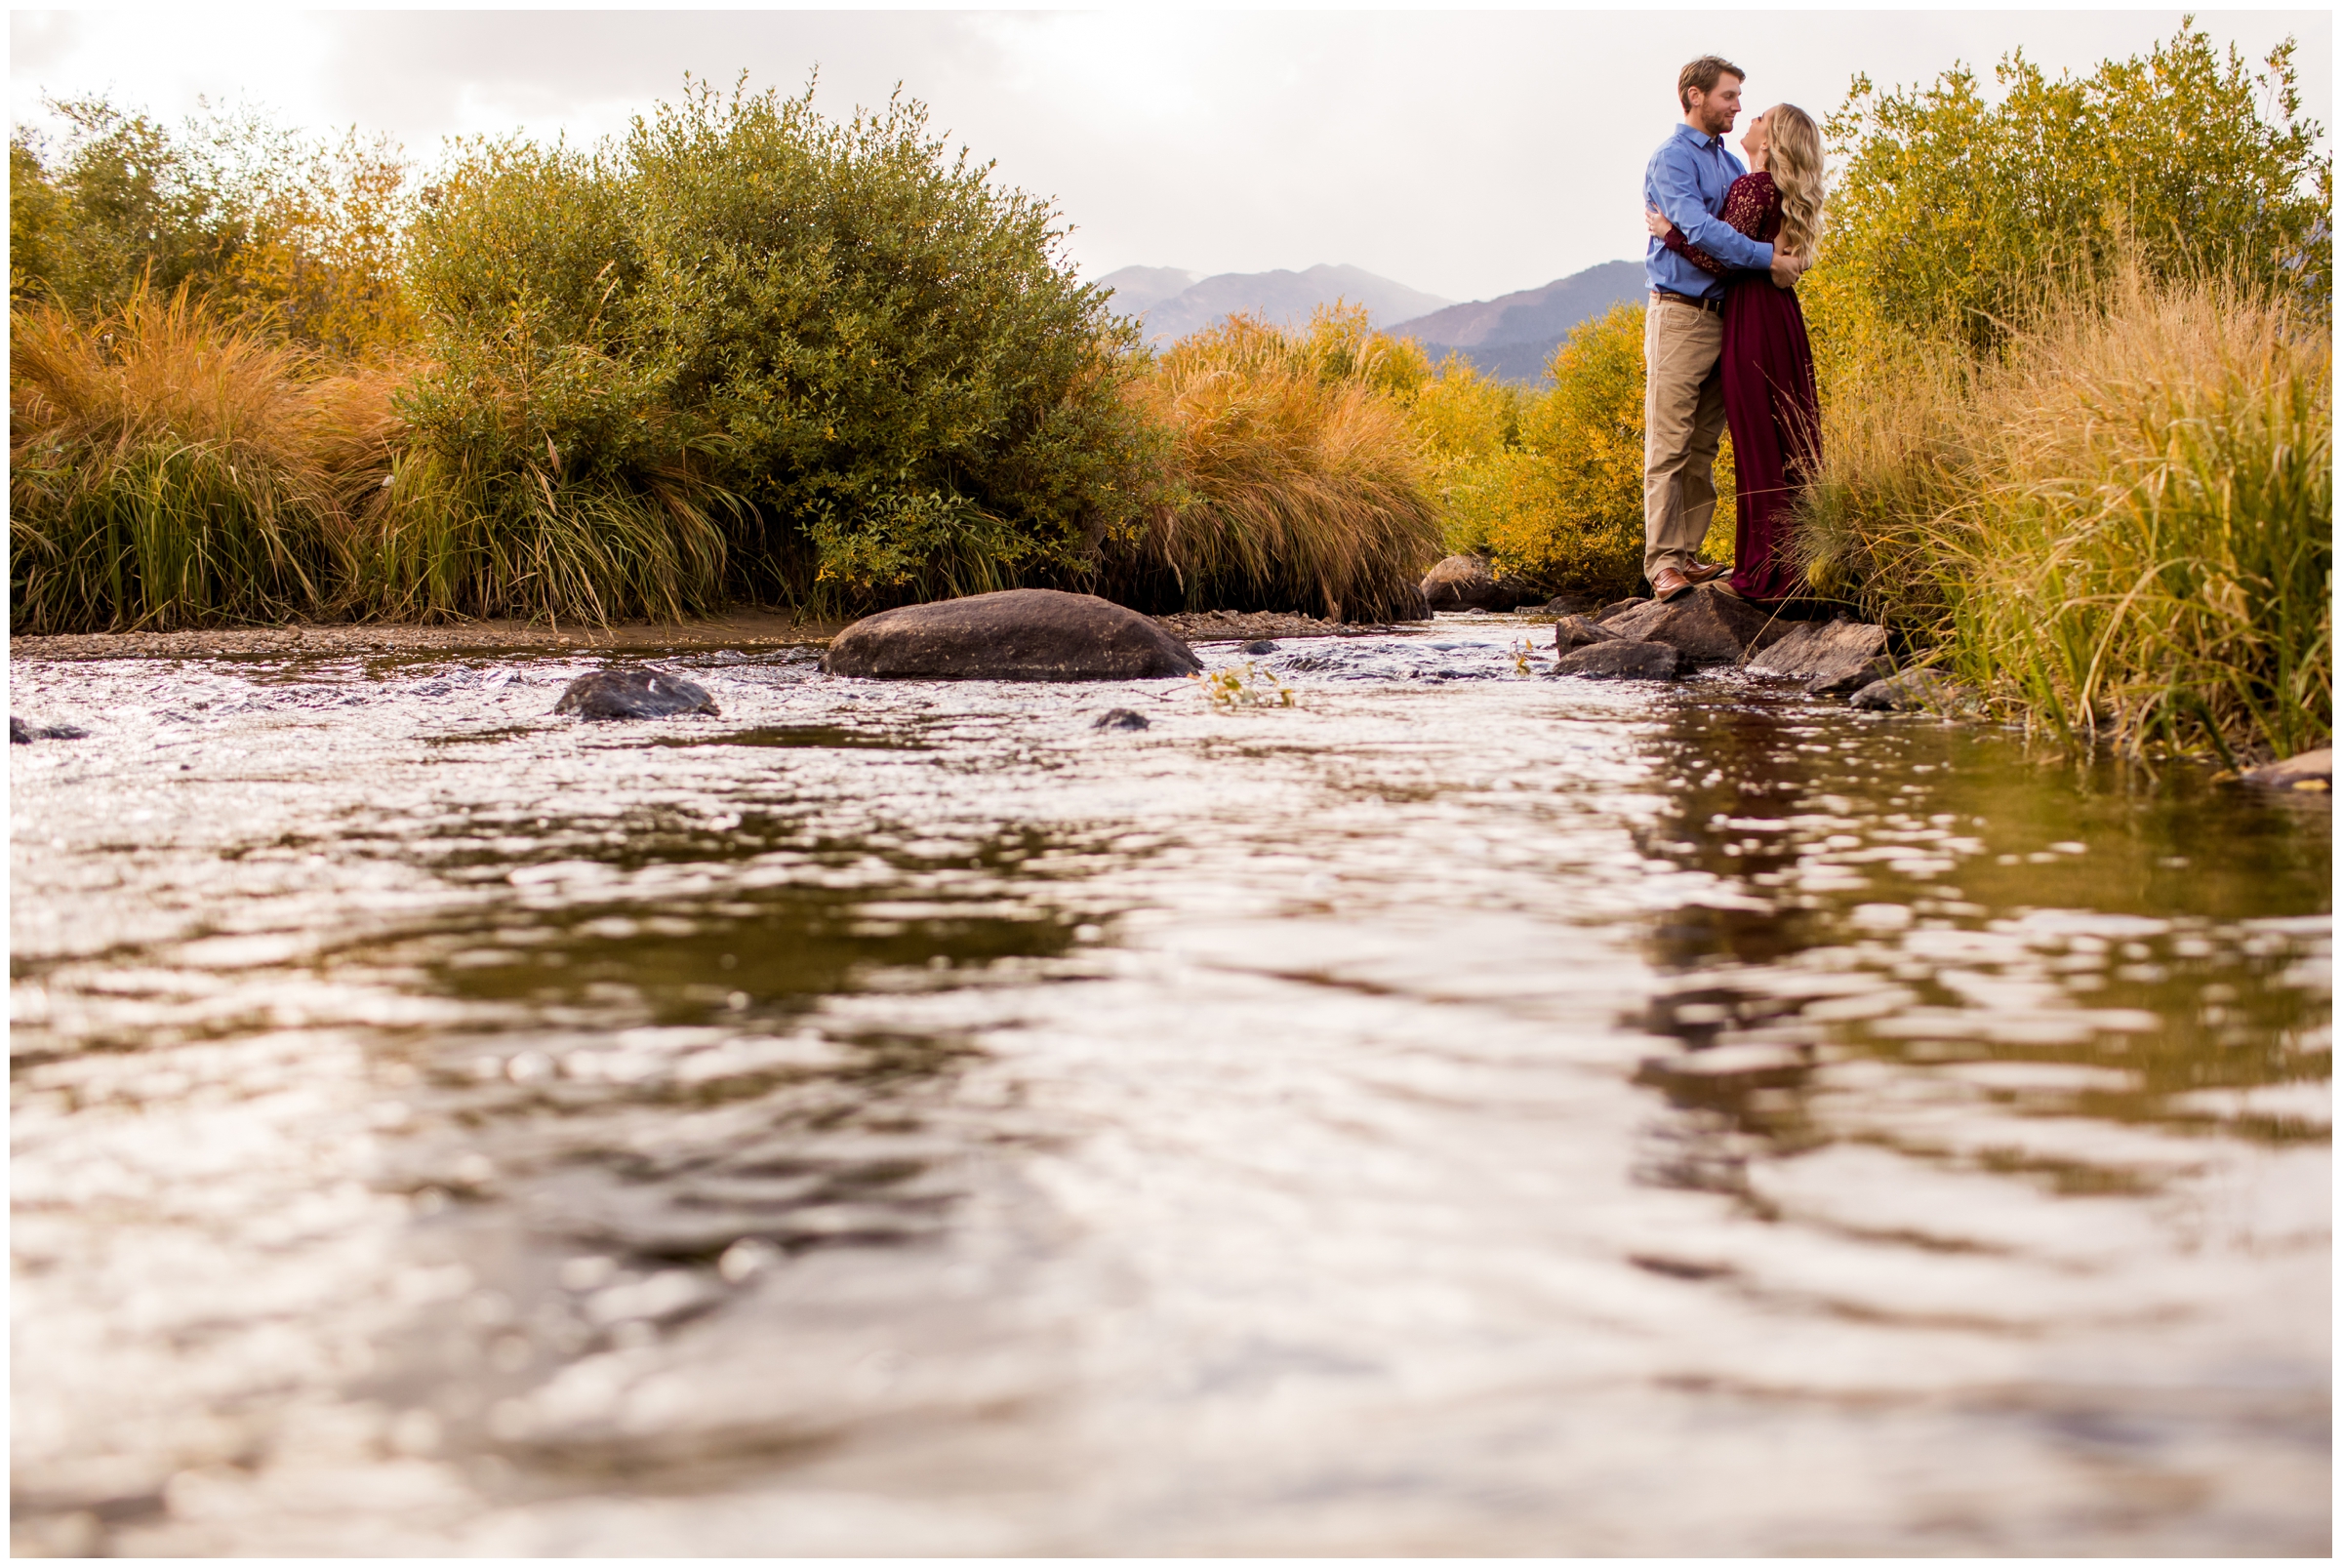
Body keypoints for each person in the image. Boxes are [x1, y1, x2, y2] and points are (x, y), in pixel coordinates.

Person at [1639, 57, 1806, 602]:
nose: (1737, 106)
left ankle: (1686, 554)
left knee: (1704, 445)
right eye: (1728, 96)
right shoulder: (1671, 160)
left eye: (1740, 99)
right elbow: (1700, 229)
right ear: (1694, 96)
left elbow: (1737, 237)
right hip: (1682, 313)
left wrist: (1774, 258)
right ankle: (1662, 564)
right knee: (1669, 443)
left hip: (1729, 319)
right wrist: (1767, 258)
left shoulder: (1734, 168)